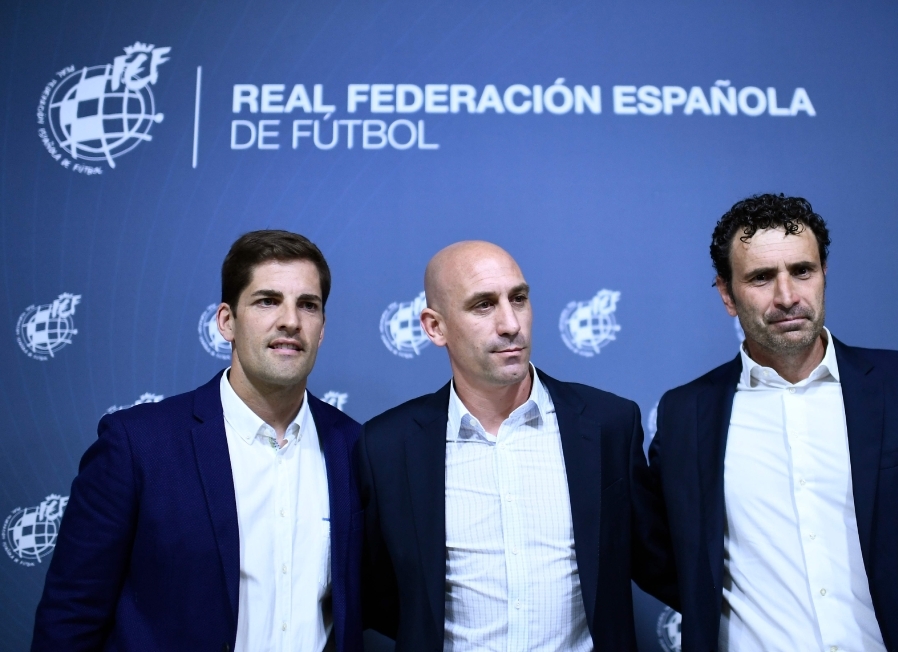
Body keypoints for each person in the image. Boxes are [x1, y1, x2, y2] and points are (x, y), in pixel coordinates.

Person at [647, 194, 898, 651]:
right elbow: (665, 559)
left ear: (824, 274)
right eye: (761, 277)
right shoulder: (685, 417)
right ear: (726, 295)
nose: (787, 296)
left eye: (802, 271)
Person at [32, 230, 363, 652]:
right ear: (227, 321)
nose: (290, 321)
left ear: (321, 329)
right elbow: (71, 614)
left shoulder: (354, 447)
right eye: (267, 300)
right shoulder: (138, 445)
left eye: (308, 305)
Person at [358, 241, 665, 652]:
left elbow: (656, 561)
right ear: (435, 327)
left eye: (518, 299)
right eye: (483, 305)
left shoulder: (608, 424)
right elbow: (380, 594)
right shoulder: (387, 446)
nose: (510, 324)